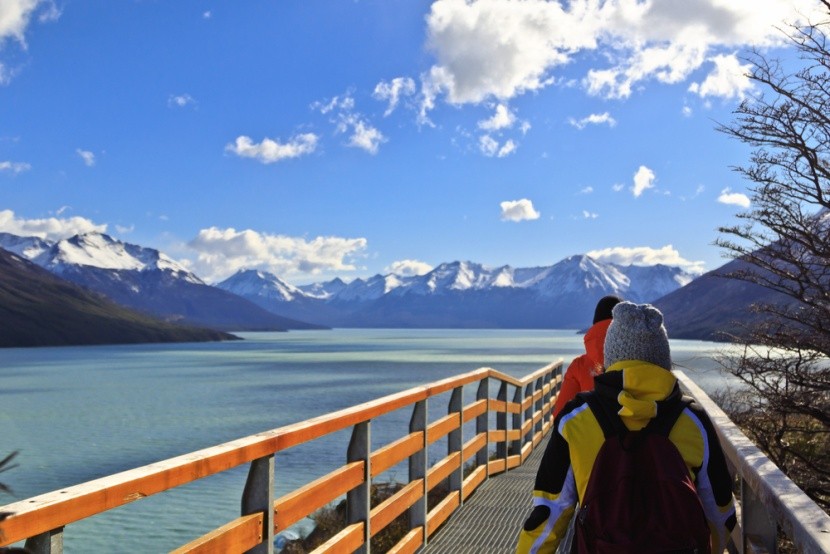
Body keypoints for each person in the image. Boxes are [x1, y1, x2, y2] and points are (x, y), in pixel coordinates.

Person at [517, 302, 736, 554]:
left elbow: (549, 512)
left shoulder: (576, 419)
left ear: (611, 358)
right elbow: (722, 512)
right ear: (664, 360)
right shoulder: (693, 421)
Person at [552, 295, 621, 420]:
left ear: (595, 325)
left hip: (591, 437)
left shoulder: (579, 366)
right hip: (643, 438)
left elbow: (561, 416)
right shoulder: (644, 362)